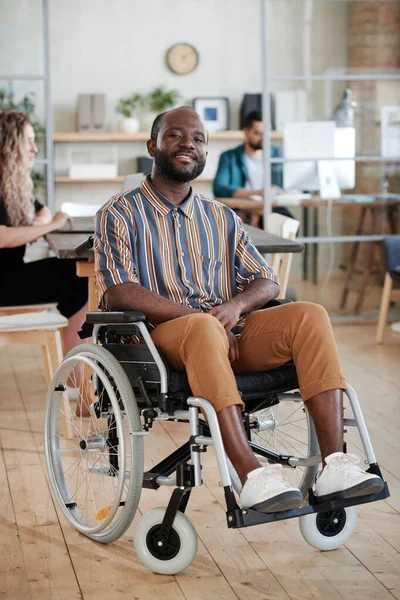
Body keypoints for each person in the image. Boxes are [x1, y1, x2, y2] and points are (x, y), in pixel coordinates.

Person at [94, 106, 383, 513]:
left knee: (310, 315)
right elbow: (119, 292)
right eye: (175, 135)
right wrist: (202, 319)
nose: (187, 144)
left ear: (206, 153)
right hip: (162, 339)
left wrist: (233, 308)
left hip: (229, 334)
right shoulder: (119, 213)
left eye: (197, 139)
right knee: (202, 328)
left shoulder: (221, 217)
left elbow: (267, 280)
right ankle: (252, 475)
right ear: (152, 145)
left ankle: (335, 465)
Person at [0, 111, 88, 354]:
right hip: (4, 282)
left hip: (10, 275)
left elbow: (45, 210)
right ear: (8, 145)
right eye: (28, 141)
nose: (35, 149)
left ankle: (75, 373)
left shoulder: (11, 183)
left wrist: (40, 223)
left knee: (77, 274)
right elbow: (2, 237)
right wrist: (49, 226)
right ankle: (75, 376)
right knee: (77, 276)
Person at [213, 110, 292, 218]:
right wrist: (259, 192)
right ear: (246, 131)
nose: (262, 138)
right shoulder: (229, 157)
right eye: (257, 133)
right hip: (241, 209)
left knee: (290, 225)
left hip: (272, 208)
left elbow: (289, 183)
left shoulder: (278, 154)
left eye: (266, 133)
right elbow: (219, 188)